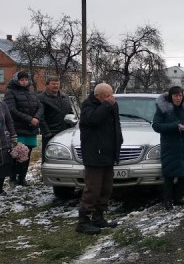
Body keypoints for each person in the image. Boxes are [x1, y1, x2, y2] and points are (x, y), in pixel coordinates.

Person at [77, 83, 123, 235]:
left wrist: (119, 142)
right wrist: (106, 105)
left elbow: (116, 125)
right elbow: (92, 120)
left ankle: (99, 217)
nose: (111, 98)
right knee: (93, 189)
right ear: (98, 96)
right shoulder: (88, 105)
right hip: (94, 154)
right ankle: (83, 222)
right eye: (107, 96)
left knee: (106, 188)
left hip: (108, 153)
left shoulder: (110, 105)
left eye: (111, 95)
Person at [152, 86, 184, 210]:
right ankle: (168, 201)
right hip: (170, 146)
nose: (178, 98)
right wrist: (175, 126)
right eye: (176, 96)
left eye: (180, 95)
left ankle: (178, 198)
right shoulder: (163, 108)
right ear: (171, 96)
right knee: (169, 174)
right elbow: (156, 126)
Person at [4, 71, 43, 186]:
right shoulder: (10, 92)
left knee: (27, 154)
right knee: (16, 154)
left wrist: (36, 117)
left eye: (26, 79)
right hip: (18, 129)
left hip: (31, 129)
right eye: (22, 80)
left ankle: (22, 178)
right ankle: (13, 178)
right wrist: (29, 119)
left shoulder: (31, 92)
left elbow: (40, 106)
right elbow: (11, 110)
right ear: (17, 80)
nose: (24, 82)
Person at [39, 76, 73, 163]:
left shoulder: (65, 97)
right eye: (53, 84)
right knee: (49, 158)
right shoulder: (41, 98)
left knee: (66, 157)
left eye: (57, 84)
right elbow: (40, 117)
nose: (56, 86)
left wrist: (71, 128)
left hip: (65, 133)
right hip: (51, 133)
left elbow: (70, 113)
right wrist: (47, 132)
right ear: (47, 85)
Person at [0, 92, 17, 195]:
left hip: (3, 138)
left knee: (3, 163)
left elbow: (9, 121)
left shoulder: (2, 104)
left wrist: (13, 135)